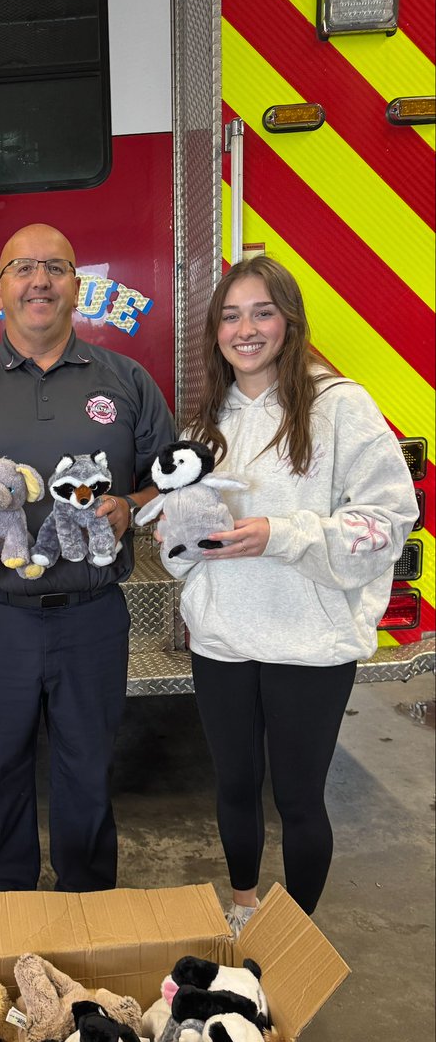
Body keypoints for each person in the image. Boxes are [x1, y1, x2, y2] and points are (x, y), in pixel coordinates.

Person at [0, 223, 176, 892]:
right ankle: (1, 904)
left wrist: (130, 505)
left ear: (75, 287)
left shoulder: (126, 381)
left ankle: (86, 900)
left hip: (92, 615)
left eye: (55, 266)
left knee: (87, 770)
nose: (38, 280)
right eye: (21, 267)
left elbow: (170, 479)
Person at [161, 256, 418, 933]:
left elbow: (389, 520)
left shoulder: (339, 406)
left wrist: (279, 532)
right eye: (230, 315)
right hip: (221, 640)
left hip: (309, 642)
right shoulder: (202, 425)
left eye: (261, 312)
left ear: (289, 322)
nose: (245, 329)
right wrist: (183, 540)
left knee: (299, 797)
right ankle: (244, 909)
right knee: (235, 786)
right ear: (215, 330)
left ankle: (294, 929)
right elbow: (176, 548)